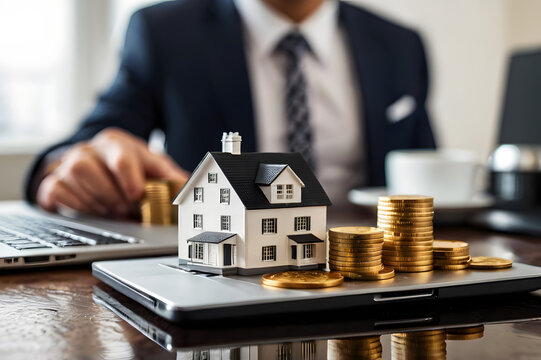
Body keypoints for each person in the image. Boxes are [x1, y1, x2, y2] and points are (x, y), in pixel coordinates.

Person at [25, 0, 436, 218]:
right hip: (224, 277)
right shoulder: (164, 33)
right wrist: (68, 168)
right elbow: (86, 146)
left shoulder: (400, 43)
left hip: (373, 281)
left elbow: (428, 171)